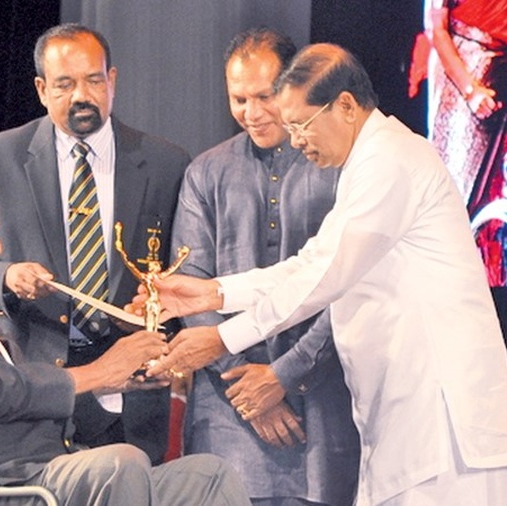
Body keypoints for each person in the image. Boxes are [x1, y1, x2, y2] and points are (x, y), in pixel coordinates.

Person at [139, 43, 507, 505]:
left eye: (300, 124)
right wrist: (211, 294)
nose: (295, 140)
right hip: (408, 421)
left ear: (344, 105)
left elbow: (326, 275)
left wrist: (223, 338)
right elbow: (310, 262)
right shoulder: (366, 165)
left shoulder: (391, 161)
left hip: (442, 421)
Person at [0, 175, 248, 506]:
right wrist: (93, 373)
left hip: (44, 471)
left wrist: (115, 383)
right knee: (118, 464)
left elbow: (24, 398)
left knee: (207, 476)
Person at [0, 23, 190, 463]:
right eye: (65, 84)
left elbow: (186, 273)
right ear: (41, 89)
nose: (81, 96)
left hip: (134, 390)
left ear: (113, 81)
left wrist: (158, 314)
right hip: (34, 388)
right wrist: (7, 277)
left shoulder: (167, 163)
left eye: (93, 80)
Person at [171, 29, 359, 506]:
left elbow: (348, 284)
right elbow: (192, 290)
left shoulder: (340, 166)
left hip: (325, 396)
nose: (251, 113)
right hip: (228, 405)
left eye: (264, 96)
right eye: (238, 99)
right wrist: (246, 387)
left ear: (295, 87)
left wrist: (283, 377)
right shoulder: (206, 171)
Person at [409, 0, 507, 214]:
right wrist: (470, 90)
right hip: (464, 70)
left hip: (506, 71)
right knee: (457, 174)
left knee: (495, 187)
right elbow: (436, 30)